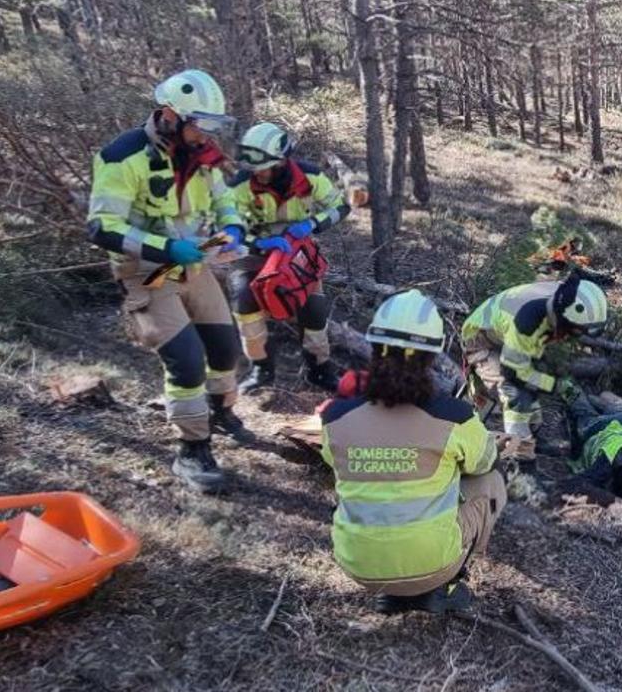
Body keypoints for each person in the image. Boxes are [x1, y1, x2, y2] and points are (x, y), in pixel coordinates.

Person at [86, 69, 251, 495]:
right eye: (201, 125)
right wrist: (164, 248)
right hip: (146, 271)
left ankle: (220, 411)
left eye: (212, 127)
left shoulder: (203, 157)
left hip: (194, 265)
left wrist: (232, 228)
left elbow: (224, 199)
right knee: (186, 359)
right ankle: (192, 449)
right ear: (169, 116)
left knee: (225, 348)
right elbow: (102, 227)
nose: (206, 135)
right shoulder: (123, 157)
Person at [320, 290, 506, 614]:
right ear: (432, 357)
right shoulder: (453, 415)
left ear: (375, 350)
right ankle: (443, 585)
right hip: (432, 565)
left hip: (358, 566)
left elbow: (330, 460)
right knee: (491, 482)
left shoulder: (335, 416)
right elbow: (485, 461)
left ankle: (391, 586)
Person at [228, 122, 351, 394]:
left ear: (282, 162)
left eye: (263, 167)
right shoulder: (239, 185)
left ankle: (319, 370)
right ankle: (261, 368)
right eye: (253, 168)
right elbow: (225, 228)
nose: (257, 174)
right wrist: (258, 243)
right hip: (253, 254)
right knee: (244, 301)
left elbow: (341, 206)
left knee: (314, 309)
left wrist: (312, 224)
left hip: (297, 254)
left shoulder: (310, 177)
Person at [460, 275, 609, 462]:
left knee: (533, 385)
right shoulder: (527, 321)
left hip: (508, 337)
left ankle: (534, 439)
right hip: (481, 338)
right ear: (565, 316)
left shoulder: (564, 297)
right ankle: (520, 458)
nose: (575, 335)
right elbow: (513, 373)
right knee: (515, 394)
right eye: (576, 330)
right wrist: (553, 385)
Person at [556, 395, 622, 515]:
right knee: (582, 408)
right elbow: (573, 485)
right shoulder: (609, 460)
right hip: (596, 426)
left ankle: (589, 393)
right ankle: (572, 388)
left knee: (598, 401)